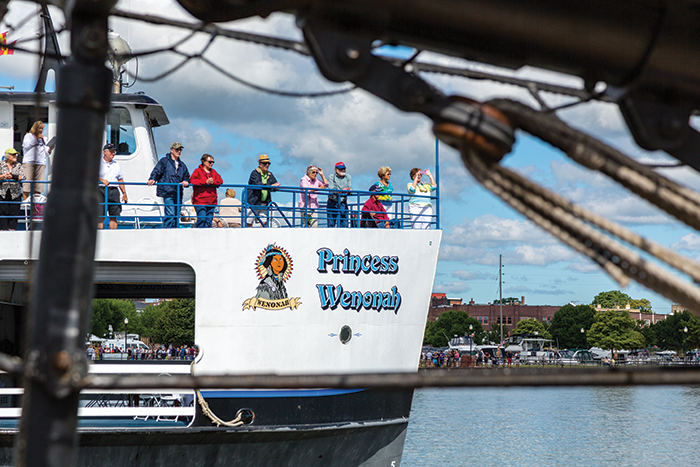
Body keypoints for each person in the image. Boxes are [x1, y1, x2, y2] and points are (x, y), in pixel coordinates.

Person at [147, 142, 190, 228]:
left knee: (176, 214)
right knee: (170, 213)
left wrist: (186, 182)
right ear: (172, 150)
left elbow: (186, 176)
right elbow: (157, 171)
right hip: (167, 191)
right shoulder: (164, 161)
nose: (179, 152)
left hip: (178, 192)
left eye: (180, 150)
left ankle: (173, 231)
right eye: (177, 150)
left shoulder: (182, 165)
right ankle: (168, 231)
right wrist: (152, 179)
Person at [98, 143, 128, 229]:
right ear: (105, 152)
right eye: (111, 152)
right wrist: (102, 180)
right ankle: (100, 235)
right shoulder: (98, 163)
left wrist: (124, 193)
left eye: (114, 151)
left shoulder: (116, 164)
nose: (113, 154)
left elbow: (120, 179)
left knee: (114, 216)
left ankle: (113, 236)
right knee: (100, 217)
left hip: (114, 190)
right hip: (101, 190)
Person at [189, 154, 223, 228]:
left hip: (211, 201)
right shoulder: (197, 171)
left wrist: (213, 182)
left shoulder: (214, 172)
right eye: (210, 162)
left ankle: (206, 238)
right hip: (200, 200)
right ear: (204, 162)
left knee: (208, 221)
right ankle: (198, 236)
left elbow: (220, 180)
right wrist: (205, 181)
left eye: (213, 162)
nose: (212, 164)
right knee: (202, 219)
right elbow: (192, 180)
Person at [21, 120, 52, 201]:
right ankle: (25, 204)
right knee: (27, 185)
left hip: (41, 163)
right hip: (29, 162)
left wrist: (49, 149)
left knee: (38, 186)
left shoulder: (43, 138)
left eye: (42, 128)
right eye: (39, 128)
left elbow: (46, 153)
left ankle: (36, 206)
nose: (41, 130)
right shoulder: (28, 136)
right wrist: (36, 139)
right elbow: (26, 146)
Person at [246, 154, 280, 226]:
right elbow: (259, 184)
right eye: (265, 163)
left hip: (264, 203)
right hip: (253, 203)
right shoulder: (254, 174)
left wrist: (276, 186)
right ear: (260, 164)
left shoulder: (269, 174)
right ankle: (249, 236)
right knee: (249, 222)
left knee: (264, 223)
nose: (267, 165)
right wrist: (271, 186)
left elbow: (275, 184)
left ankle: (261, 236)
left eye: (268, 163)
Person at [0, 148, 25, 231]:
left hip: (15, 194)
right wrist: (4, 176)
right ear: (7, 156)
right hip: (3, 193)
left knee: (14, 216)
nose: (15, 156)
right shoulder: (1, 164)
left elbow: (23, 177)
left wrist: (13, 176)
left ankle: (12, 235)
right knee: (2, 216)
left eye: (16, 155)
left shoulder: (18, 165)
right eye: (13, 155)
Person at [327, 161, 352, 227]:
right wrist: (343, 191)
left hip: (343, 203)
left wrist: (348, 191)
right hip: (332, 202)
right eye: (341, 169)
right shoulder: (331, 177)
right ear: (336, 170)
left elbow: (351, 190)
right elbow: (331, 190)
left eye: (344, 168)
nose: (343, 170)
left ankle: (343, 237)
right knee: (331, 224)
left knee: (344, 224)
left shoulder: (348, 177)